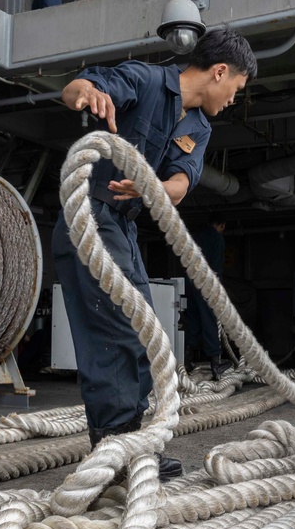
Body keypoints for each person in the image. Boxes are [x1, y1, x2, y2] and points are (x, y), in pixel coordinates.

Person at [52, 27, 256, 479]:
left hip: (120, 227)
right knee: (117, 330)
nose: (234, 99)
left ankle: (128, 440)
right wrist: (88, 94)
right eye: (236, 89)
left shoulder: (199, 126)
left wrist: (154, 187)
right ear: (220, 71)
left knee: (143, 329)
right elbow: (74, 88)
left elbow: (180, 184)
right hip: (87, 215)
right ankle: (115, 449)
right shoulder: (144, 81)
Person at [184, 212, 231, 380]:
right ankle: (215, 362)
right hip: (206, 284)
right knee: (209, 320)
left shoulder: (195, 237)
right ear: (222, 225)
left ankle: (187, 359)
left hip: (190, 283)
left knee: (193, 319)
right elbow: (216, 267)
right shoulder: (217, 239)